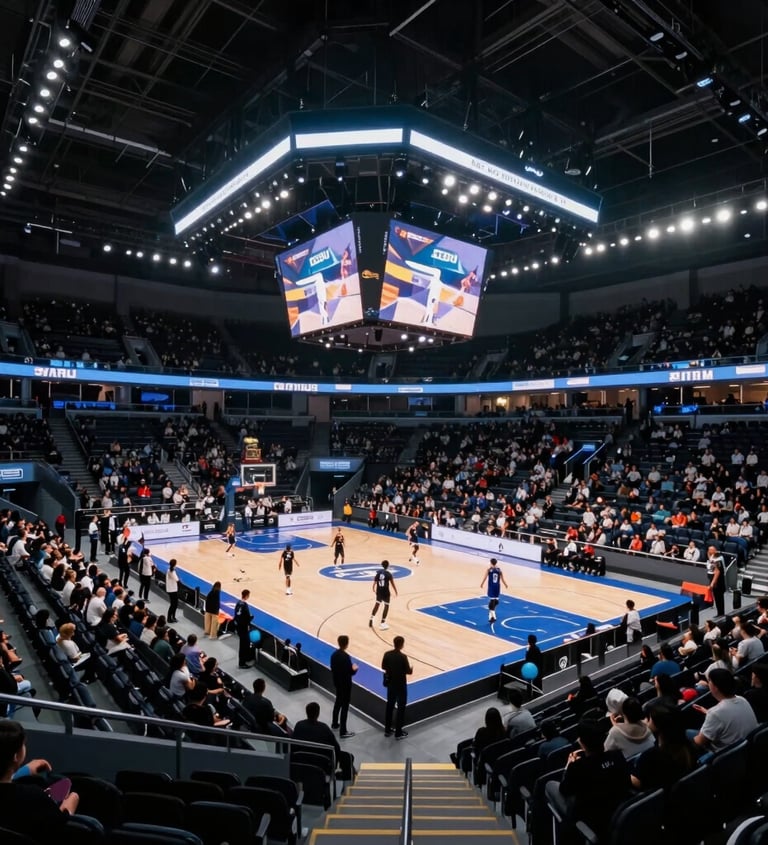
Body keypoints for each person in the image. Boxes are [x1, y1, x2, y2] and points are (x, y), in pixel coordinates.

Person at [545, 719, 631, 845]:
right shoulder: (617, 755)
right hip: (618, 813)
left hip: (592, 820)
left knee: (549, 785)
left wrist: (568, 766)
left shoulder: (577, 767)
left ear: (582, 743)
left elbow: (564, 790)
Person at [0, 720, 79, 838]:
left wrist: (24, 771)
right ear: (15, 756)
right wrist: (69, 807)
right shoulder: (34, 797)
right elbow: (60, 829)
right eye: (23, 745)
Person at [691, 667, 758, 753]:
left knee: (688, 733)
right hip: (750, 750)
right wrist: (707, 712)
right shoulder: (742, 699)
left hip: (728, 757)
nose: (708, 683)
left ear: (715, 687)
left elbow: (699, 742)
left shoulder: (715, 713)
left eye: (709, 681)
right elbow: (730, 715)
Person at [631, 703, 696, 791]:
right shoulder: (688, 745)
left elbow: (638, 783)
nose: (645, 721)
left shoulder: (650, 756)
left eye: (649, 719)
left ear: (657, 725)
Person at [293, 701, 355, 780]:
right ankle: (345, 779)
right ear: (318, 714)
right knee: (347, 756)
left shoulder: (299, 725)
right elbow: (337, 748)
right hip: (322, 764)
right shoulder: (324, 728)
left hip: (302, 761)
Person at [382, 635, 412, 739]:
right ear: (402, 645)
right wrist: (411, 668)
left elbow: (383, 666)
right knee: (401, 708)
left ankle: (387, 730)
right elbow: (408, 671)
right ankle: (398, 733)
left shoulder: (387, 654)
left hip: (390, 684)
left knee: (389, 706)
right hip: (400, 685)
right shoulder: (403, 657)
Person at [330, 634, 358, 738]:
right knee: (345, 707)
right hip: (345, 685)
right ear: (346, 644)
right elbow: (350, 672)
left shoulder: (334, 655)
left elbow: (333, 668)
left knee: (338, 702)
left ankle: (334, 723)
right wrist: (354, 669)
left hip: (337, 682)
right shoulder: (346, 657)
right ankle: (343, 731)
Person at [480, 558, 508, 627]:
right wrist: (505, 584)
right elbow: (502, 579)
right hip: (497, 587)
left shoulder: (489, 570)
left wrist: (482, 584)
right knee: (495, 602)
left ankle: (494, 616)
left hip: (492, 587)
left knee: (491, 603)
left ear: (491, 563)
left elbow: (485, 577)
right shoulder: (499, 570)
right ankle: (491, 617)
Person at [370, 559, 397, 630]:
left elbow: (374, 583)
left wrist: (373, 588)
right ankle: (382, 623)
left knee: (377, 605)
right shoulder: (389, 574)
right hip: (386, 592)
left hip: (379, 591)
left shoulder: (378, 573)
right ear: (388, 565)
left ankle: (371, 618)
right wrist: (395, 591)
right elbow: (392, 584)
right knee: (386, 606)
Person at [234, 589, 254, 668]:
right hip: (243, 627)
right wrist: (251, 618)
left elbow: (236, 615)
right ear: (247, 595)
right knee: (244, 645)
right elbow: (247, 617)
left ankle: (245, 659)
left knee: (244, 644)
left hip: (238, 626)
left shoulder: (238, 603)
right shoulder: (245, 605)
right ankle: (242, 663)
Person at [706, 545, 726, 616]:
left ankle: (721, 613)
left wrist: (712, 583)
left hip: (718, 582)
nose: (708, 551)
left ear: (714, 550)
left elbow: (717, 572)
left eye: (710, 550)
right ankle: (719, 613)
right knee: (717, 598)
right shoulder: (712, 556)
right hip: (714, 581)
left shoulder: (718, 559)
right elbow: (710, 559)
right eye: (708, 550)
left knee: (719, 598)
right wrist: (708, 553)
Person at [165, 558, 180, 623]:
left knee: (175, 604)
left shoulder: (170, 570)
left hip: (171, 589)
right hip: (172, 590)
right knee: (173, 604)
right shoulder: (172, 571)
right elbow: (177, 579)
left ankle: (173, 617)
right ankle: (169, 618)